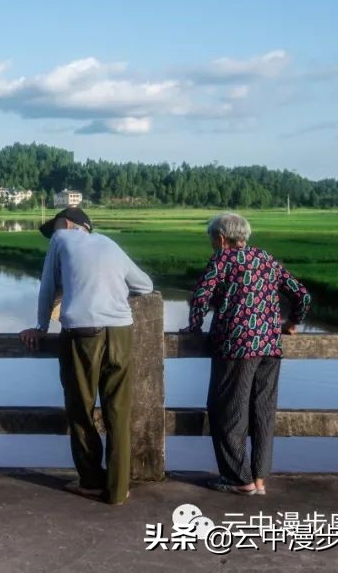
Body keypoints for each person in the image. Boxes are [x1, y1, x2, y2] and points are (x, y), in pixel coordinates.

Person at [20, 207, 153, 505]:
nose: (53, 235)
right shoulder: (109, 243)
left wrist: (41, 326)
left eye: (55, 227)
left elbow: (47, 286)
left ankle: (91, 482)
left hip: (83, 333)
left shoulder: (61, 239)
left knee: (80, 407)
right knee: (117, 410)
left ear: (68, 224)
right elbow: (145, 285)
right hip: (120, 330)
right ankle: (118, 489)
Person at [182, 212, 311, 496]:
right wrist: (291, 323)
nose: (212, 244)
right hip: (270, 347)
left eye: (211, 239)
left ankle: (239, 479)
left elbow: (201, 296)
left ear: (220, 238)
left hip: (237, 347)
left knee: (228, 410)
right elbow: (302, 295)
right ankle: (260, 479)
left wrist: (193, 327)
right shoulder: (265, 258)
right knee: (263, 411)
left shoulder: (223, 259)